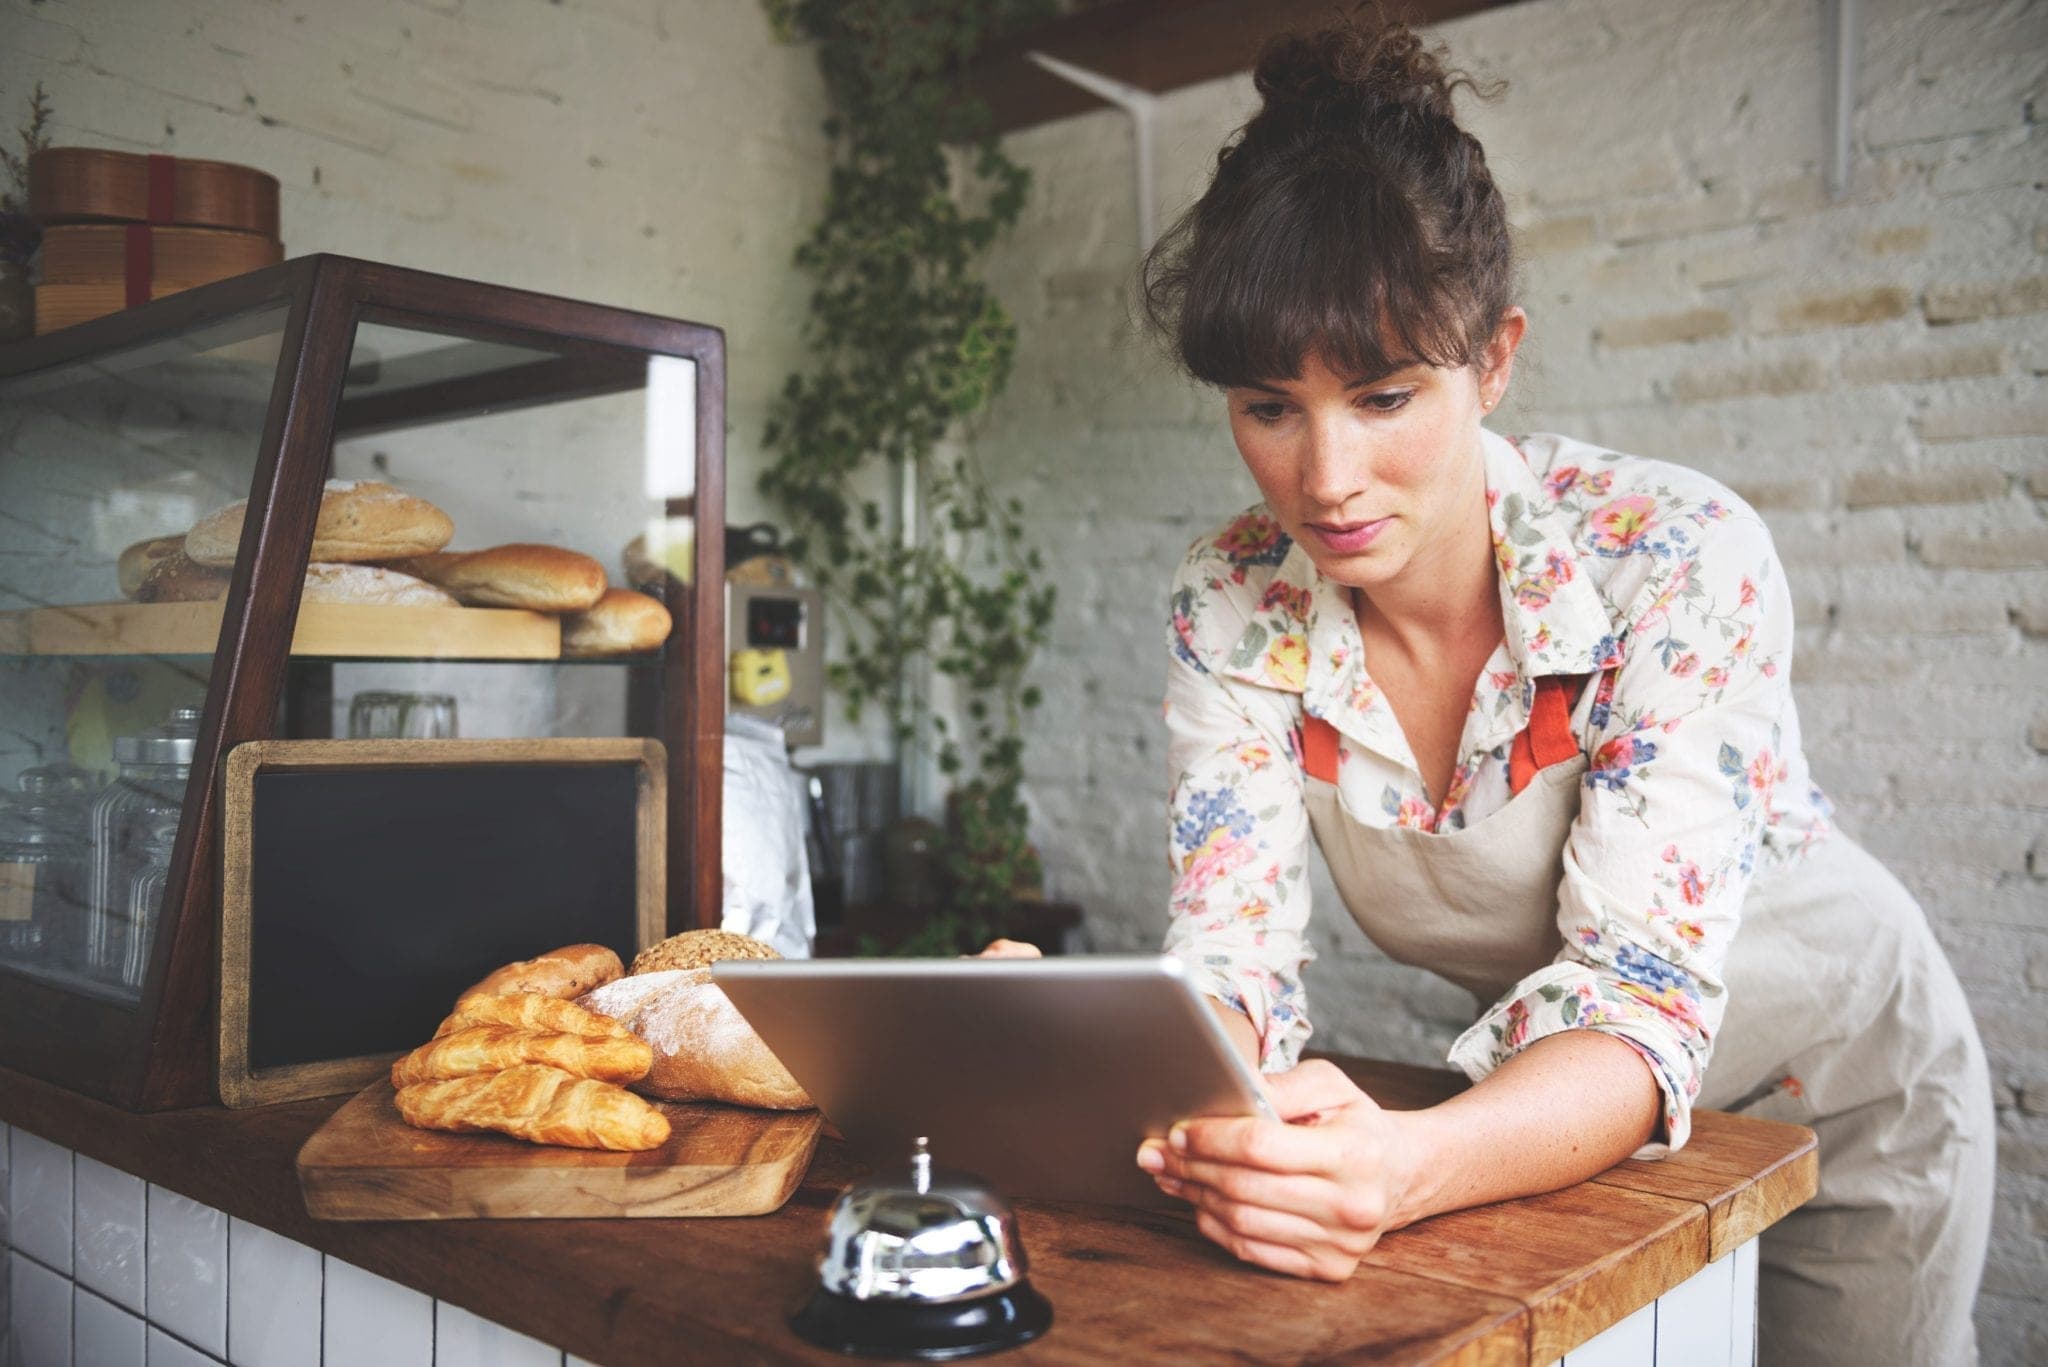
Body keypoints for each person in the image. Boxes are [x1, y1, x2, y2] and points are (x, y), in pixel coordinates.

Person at [991, 10, 1995, 1364]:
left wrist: (1401, 1169)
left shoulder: (1672, 560)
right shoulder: (1231, 597)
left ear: (1495, 359)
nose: (1325, 478)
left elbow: (1636, 987)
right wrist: (1120, 1054)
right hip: (1550, 1106)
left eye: (1385, 396)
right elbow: (1234, 955)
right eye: (1269, 406)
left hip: (1847, 1086)